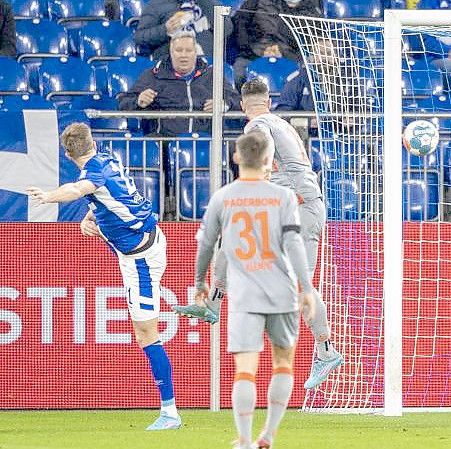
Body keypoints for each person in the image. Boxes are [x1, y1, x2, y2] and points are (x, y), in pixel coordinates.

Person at [175, 78, 343, 390]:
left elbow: (261, 145)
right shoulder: (282, 121)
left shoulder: (259, 124)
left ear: (242, 105)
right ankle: (326, 350)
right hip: (308, 205)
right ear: (268, 99)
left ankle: (213, 303)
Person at [25, 123, 180, 431]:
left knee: (147, 334)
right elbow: (108, 194)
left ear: (67, 155)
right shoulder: (108, 158)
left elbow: (78, 189)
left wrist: (47, 196)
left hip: (141, 261)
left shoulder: (90, 175)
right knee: (144, 332)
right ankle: (169, 411)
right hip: (143, 243)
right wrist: (89, 215)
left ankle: (170, 413)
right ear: (92, 143)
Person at [194, 130, 316, 449]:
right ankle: (270, 436)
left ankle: (245, 440)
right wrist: (306, 287)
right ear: (268, 162)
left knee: (245, 370)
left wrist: (200, 282)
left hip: (245, 295)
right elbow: (294, 244)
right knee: (283, 364)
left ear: (235, 157)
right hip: (283, 292)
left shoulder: (223, 197)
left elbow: (207, 245)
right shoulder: (284, 197)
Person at [118, 32, 240, 137]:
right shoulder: (153, 75)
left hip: (207, 141)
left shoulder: (212, 75)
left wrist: (224, 104)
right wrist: (138, 101)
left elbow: (237, 101)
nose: (183, 55)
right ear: (171, 52)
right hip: (165, 141)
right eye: (178, 50)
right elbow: (123, 102)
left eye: (188, 51)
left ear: (195, 53)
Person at [231, 0, 322, 84]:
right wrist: (253, 50)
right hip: (252, 54)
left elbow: (311, 36)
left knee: (307, 77)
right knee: (239, 74)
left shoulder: (306, 6)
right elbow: (240, 24)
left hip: (290, 55)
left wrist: (281, 51)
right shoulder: (255, 2)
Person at [134, 0, 231, 60]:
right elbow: (140, 38)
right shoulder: (157, 5)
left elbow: (227, 29)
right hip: (170, 66)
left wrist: (206, 3)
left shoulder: (209, 3)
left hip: (208, 64)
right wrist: (165, 30)